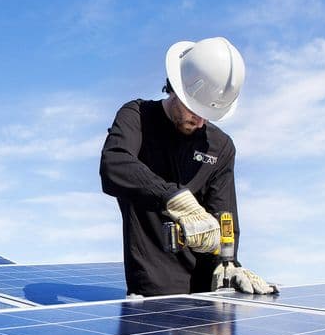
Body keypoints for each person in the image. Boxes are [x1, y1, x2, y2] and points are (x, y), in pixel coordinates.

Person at [99, 36, 276, 297]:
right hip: (151, 294)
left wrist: (228, 262)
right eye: (194, 109)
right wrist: (174, 199)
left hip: (207, 296)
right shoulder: (137, 118)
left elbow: (224, 216)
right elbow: (114, 165)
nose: (201, 121)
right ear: (176, 88)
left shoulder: (221, 146)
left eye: (208, 113)